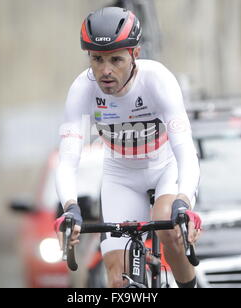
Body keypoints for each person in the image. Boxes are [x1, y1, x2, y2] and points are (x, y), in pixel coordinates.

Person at [54, 6, 202, 288]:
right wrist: (70, 209)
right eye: (97, 59)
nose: (106, 71)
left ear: (135, 54)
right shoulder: (82, 89)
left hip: (165, 167)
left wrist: (184, 202)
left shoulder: (157, 80)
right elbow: (67, 161)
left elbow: (185, 151)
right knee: (117, 279)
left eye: (116, 60)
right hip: (120, 174)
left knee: (167, 225)